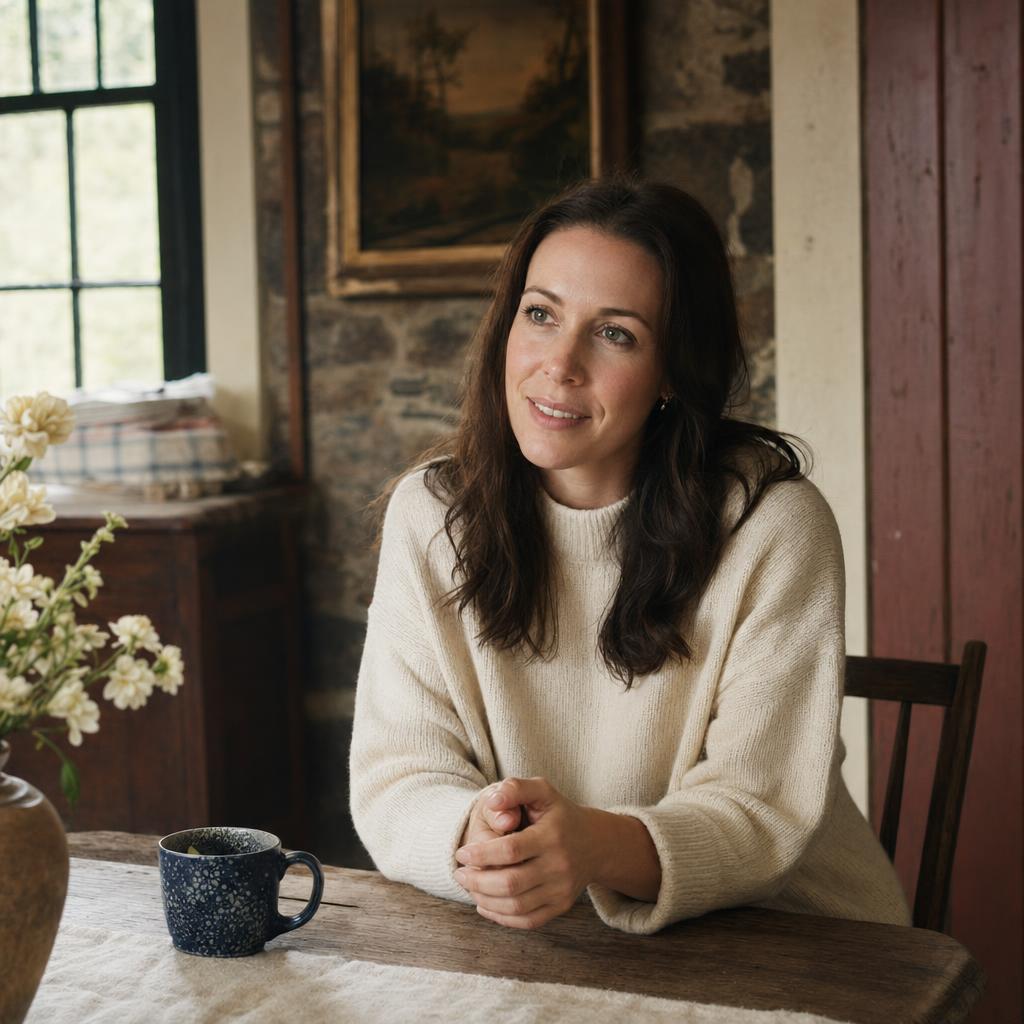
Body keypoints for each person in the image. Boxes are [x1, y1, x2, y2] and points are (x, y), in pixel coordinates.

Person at [349, 176, 911, 934]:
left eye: (615, 333)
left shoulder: (773, 525)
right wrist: (474, 837)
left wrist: (589, 846)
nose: (560, 364)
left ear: (674, 370)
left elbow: (759, 808)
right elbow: (397, 776)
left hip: (793, 936)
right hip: (560, 942)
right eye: (540, 314)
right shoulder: (434, 514)